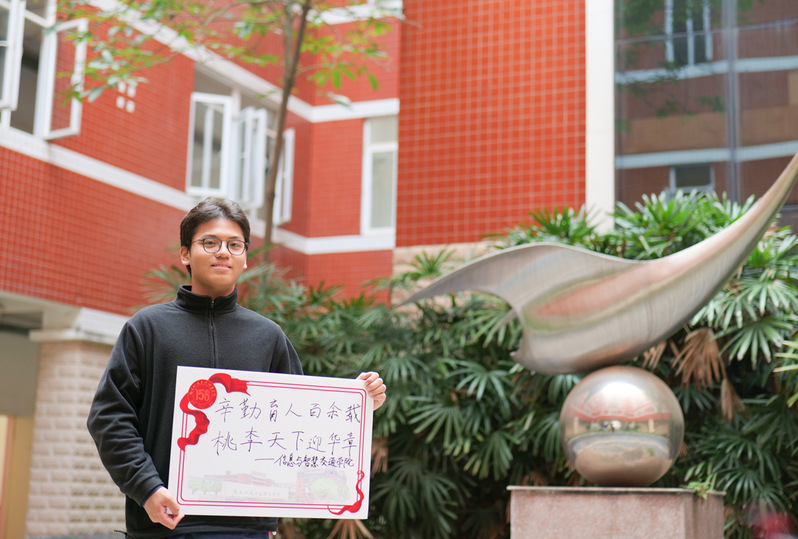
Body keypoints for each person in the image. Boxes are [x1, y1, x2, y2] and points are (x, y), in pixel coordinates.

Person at [87, 198, 387, 538]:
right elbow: (109, 418)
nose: (222, 252)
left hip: (249, 530)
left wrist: (357, 405)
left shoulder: (268, 337)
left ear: (245, 258)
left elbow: (299, 427)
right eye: (209, 242)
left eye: (234, 245)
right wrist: (148, 489)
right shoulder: (147, 328)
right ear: (185, 254)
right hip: (165, 524)